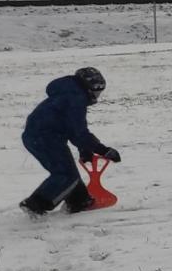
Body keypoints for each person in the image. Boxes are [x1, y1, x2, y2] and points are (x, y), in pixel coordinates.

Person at [20, 67, 122, 215]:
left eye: (100, 92)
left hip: (41, 137)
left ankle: (80, 201)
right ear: (87, 88)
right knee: (65, 175)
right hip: (44, 139)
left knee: (68, 171)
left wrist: (84, 149)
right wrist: (103, 150)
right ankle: (35, 204)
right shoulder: (75, 99)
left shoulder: (69, 92)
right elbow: (79, 132)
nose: (97, 96)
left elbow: (72, 129)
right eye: (96, 91)